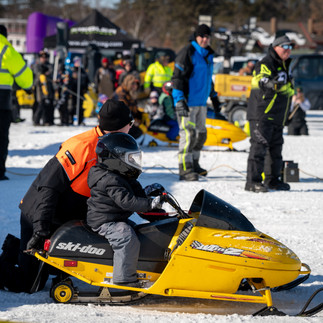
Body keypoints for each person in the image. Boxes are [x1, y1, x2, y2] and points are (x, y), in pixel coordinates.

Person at [0, 99, 134, 293]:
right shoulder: (81, 146)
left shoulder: (117, 146)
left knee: (56, 267)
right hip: (38, 215)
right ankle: (18, 250)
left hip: (64, 219)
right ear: (119, 126)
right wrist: (40, 229)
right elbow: (48, 188)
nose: (132, 127)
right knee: (29, 283)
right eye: (130, 124)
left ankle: (16, 249)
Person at [86, 132, 164, 287]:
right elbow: (127, 201)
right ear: (116, 158)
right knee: (126, 238)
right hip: (104, 221)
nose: (134, 162)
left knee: (143, 233)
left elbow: (136, 194)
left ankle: (141, 268)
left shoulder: (120, 175)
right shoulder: (109, 179)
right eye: (131, 158)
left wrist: (151, 196)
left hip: (114, 217)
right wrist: (151, 204)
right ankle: (124, 279)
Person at [245, 35, 295, 193]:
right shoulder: (266, 63)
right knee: (259, 148)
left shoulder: (284, 66)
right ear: (275, 47)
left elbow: (287, 90)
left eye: (290, 47)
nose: (288, 50)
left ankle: (273, 180)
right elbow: (259, 79)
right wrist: (269, 83)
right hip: (262, 114)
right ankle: (252, 182)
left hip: (278, 116)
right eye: (284, 47)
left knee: (276, 150)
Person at [171, 24, 221, 181]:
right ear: (196, 36)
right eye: (202, 36)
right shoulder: (188, 52)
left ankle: (194, 164)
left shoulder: (208, 54)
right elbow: (177, 78)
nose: (205, 39)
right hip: (187, 102)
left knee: (200, 135)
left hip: (201, 103)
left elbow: (207, 79)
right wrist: (179, 100)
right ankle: (184, 169)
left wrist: (214, 97)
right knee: (188, 135)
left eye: (207, 37)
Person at [0, 25, 33, 181]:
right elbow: (26, 78)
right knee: (0, 137)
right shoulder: (6, 50)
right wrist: (27, 86)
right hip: (1, 101)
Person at [112, 74, 143, 139]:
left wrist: (140, 116)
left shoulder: (131, 93)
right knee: (134, 131)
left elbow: (133, 109)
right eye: (133, 84)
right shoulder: (121, 93)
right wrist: (134, 121)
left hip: (126, 119)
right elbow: (123, 111)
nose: (135, 86)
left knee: (139, 131)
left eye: (136, 84)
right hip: (115, 121)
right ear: (128, 84)